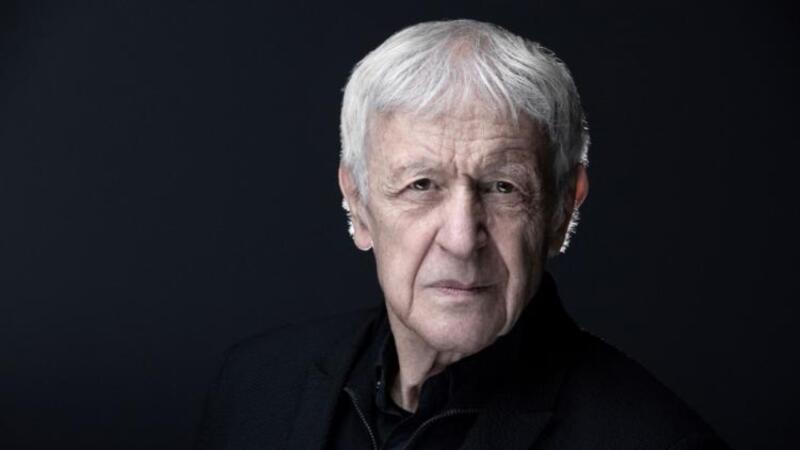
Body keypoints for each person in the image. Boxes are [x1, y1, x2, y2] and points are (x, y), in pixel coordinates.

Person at [195, 19, 728, 450]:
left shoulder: (658, 443)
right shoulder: (254, 386)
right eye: (421, 184)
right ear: (357, 204)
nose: (461, 238)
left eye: (502, 187)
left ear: (563, 210)